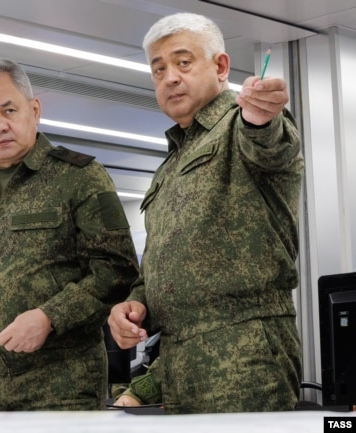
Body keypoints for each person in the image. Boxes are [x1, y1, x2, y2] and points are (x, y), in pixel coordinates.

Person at [107, 13, 304, 414]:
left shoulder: (240, 124)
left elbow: (268, 141)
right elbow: (166, 264)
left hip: (245, 350)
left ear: (220, 66)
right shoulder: (171, 166)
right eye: (158, 69)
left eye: (183, 62)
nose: (169, 78)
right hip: (177, 358)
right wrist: (135, 303)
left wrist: (262, 117)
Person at [0, 57, 140, 411]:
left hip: (62, 390)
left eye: (9, 110)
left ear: (34, 109)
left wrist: (49, 317)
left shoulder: (80, 177)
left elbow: (117, 271)